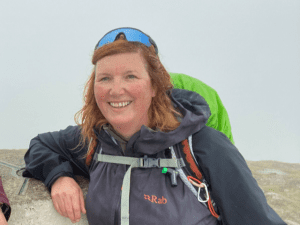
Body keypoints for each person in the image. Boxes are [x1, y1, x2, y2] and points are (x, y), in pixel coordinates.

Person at [23, 28, 285, 224]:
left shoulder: (204, 146)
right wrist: (59, 178)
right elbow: (40, 145)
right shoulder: (96, 141)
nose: (116, 90)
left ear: (155, 85)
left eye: (131, 76)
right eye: (104, 78)